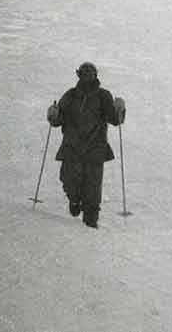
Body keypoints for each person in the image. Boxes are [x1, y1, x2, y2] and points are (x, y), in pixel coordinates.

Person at [47, 62, 125, 228]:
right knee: (69, 180)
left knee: (93, 186)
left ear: (96, 75)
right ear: (79, 74)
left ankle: (91, 222)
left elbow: (114, 119)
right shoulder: (71, 95)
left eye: (91, 73)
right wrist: (53, 115)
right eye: (84, 73)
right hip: (72, 146)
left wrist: (119, 109)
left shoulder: (103, 96)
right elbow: (58, 119)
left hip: (95, 147)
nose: (88, 76)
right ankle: (74, 200)